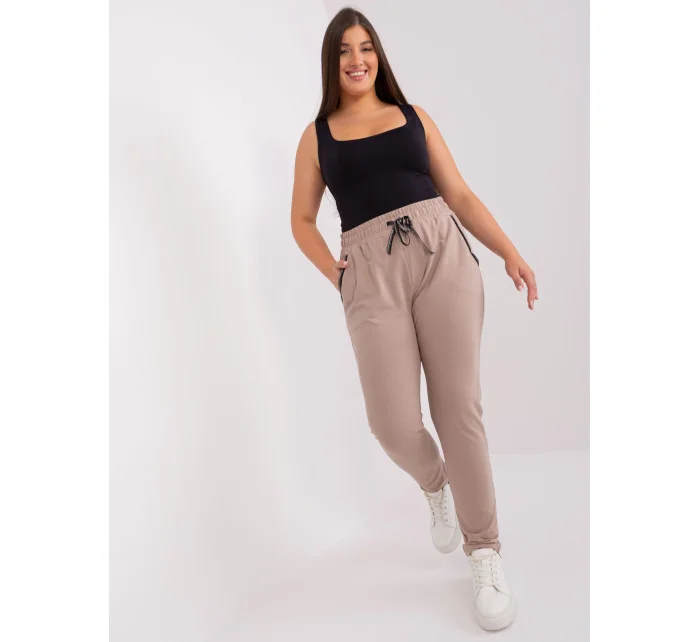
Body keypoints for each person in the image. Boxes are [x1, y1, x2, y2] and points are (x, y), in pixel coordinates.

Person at [291, 6, 537, 633]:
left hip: (440, 254)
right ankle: (436, 483)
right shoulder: (317, 137)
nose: (357, 60)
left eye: (366, 47)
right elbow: (301, 219)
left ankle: (485, 554)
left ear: (379, 55)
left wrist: (509, 252)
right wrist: (335, 273)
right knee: (393, 424)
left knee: (459, 410)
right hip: (368, 275)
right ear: (331, 62)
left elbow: (460, 194)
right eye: (344, 50)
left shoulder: (413, 116)